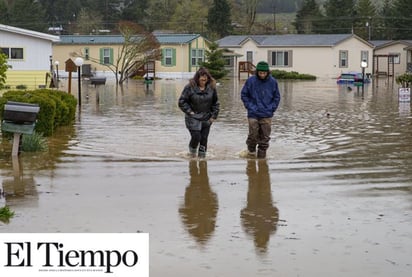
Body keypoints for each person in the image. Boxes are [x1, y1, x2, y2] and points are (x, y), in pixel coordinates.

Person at [241, 61, 281, 159]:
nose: (262, 75)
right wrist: (249, 106)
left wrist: (272, 109)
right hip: (253, 113)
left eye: (264, 73)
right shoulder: (250, 81)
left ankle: (262, 159)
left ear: (267, 72)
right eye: (260, 73)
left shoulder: (273, 82)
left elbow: (277, 97)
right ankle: (251, 154)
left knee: (265, 137)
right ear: (257, 72)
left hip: (267, 113)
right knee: (253, 135)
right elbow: (244, 95)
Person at [178, 67, 220, 158]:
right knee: (196, 136)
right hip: (193, 117)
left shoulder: (212, 88)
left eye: (206, 77)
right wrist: (190, 112)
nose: (204, 79)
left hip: (207, 117)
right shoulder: (189, 87)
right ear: (197, 78)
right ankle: (192, 154)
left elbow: (216, 103)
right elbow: (182, 102)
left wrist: (213, 116)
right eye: (202, 77)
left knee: (204, 139)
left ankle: (202, 159)